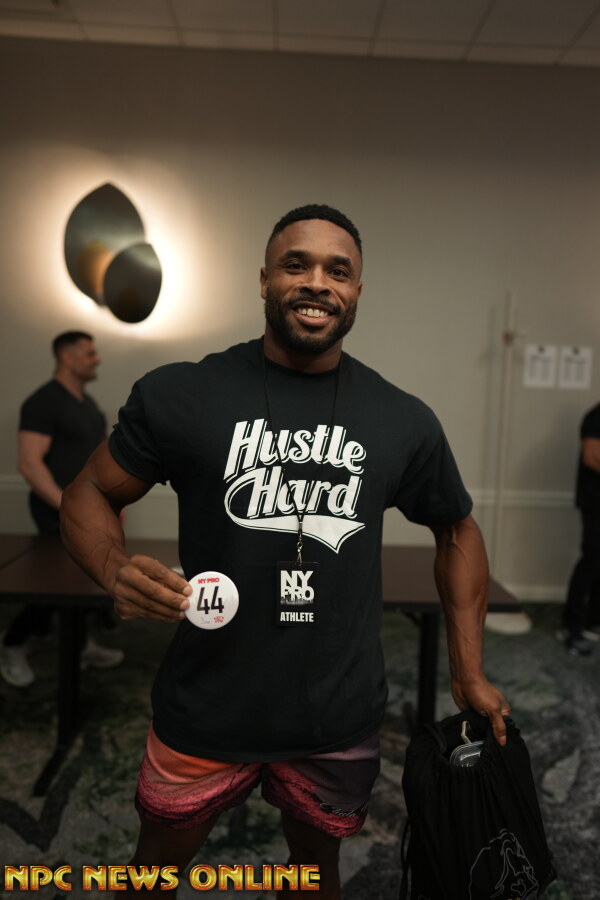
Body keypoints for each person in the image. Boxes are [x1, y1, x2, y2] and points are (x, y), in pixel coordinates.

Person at [60, 205, 510, 898]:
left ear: (357, 291)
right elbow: (88, 490)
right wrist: (113, 569)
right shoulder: (182, 394)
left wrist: (468, 672)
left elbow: (458, 529)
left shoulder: (401, 418)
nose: (317, 282)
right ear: (265, 279)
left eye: (339, 270)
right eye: (296, 264)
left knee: (311, 873)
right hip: (206, 706)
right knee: (152, 875)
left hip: (336, 712)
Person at [0, 331, 123, 687]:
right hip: (55, 514)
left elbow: (101, 464)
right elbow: (29, 464)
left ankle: (81, 645)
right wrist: (69, 506)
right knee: (53, 586)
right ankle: (12, 644)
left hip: (91, 512)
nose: (97, 360)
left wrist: (113, 506)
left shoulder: (88, 405)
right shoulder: (43, 402)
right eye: (90, 353)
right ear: (67, 357)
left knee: (83, 580)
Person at [558, 401, 600, 656]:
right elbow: (591, 456)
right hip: (596, 503)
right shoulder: (596, 416)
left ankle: (593, 621)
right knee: (592, 561)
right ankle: (570, 627)